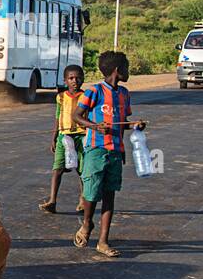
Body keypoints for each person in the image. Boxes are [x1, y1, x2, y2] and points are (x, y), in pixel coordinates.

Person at [73, 51, 146, 258]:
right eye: (127, 67)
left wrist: (135, 125)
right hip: (96, 150)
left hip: (115, 151)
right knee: (91, 194)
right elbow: (77, 116)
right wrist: (95, 127)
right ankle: (87, 223)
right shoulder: (93, 91)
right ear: (117, 70)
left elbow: (124, 122)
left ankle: (103, 241)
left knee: (109, 196)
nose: (128, 71)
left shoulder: (124, 93)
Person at [39, 64, 87, 214]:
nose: (75, 81)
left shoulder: (86, 96)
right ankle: (52, 200)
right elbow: (58, 117)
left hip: (81, 136)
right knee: (57, 169)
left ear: (83, 79)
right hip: (63, 137)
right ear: (65, 80)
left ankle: (83, 200)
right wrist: (53, 137)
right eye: (71, 78)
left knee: (82, 170)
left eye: (78, 78)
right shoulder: (60, 97)